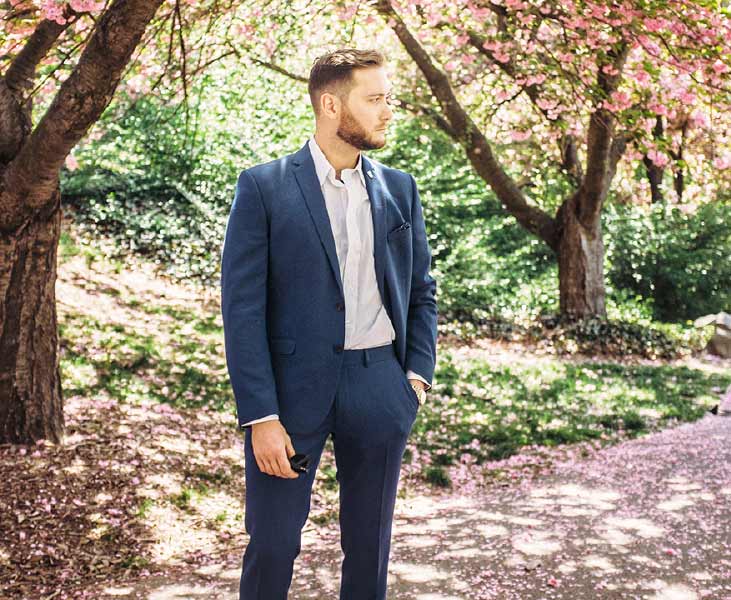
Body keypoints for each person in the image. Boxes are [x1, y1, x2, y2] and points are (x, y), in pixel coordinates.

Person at [220, 47, 438, 600]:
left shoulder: (400, 188)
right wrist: (260, 415)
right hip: (290, 398)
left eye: (389, 98)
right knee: (272, 545)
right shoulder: (264, 187)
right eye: (375, 99)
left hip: (380, 385)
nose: (389, 111)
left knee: (370, 549)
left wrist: (414, 377)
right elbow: (241, 310)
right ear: (330, 104)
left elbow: (421, 290)